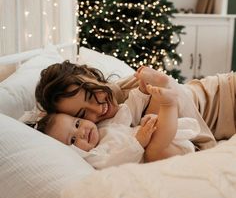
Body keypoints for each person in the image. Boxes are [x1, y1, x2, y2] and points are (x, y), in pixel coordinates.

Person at [35, 60, 236, 152]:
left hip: (225, 94)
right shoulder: (104, 131)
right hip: (226, 122)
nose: (98, 109)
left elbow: (204, 143)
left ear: (90, 75)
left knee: (160, 94)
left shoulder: (129, 88)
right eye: (82, 115)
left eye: (91, 94)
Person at [32, 83, 199, 168]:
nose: (81, 133)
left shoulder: (104, 126)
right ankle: (169, 105)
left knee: (149, 119)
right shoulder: (93, 157)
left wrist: (140, 93)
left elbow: (126, 113)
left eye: (77, 123)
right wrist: (138, 142)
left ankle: (166, 101)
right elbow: (115, 162)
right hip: (157, 156)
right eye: (73, 139)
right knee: (153, 149)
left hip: (170, 143)